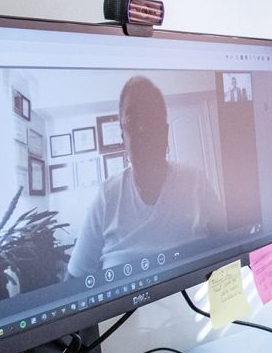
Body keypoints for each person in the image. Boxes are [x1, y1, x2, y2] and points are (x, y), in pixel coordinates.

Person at [67, 76, 224, 279]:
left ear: (165, 131)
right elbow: (74, 279)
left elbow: (230, 257)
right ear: (123, 136)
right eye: (131, 120)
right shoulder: (107, 197)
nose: (142, 128)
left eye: (151, 117)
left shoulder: (197, 184)